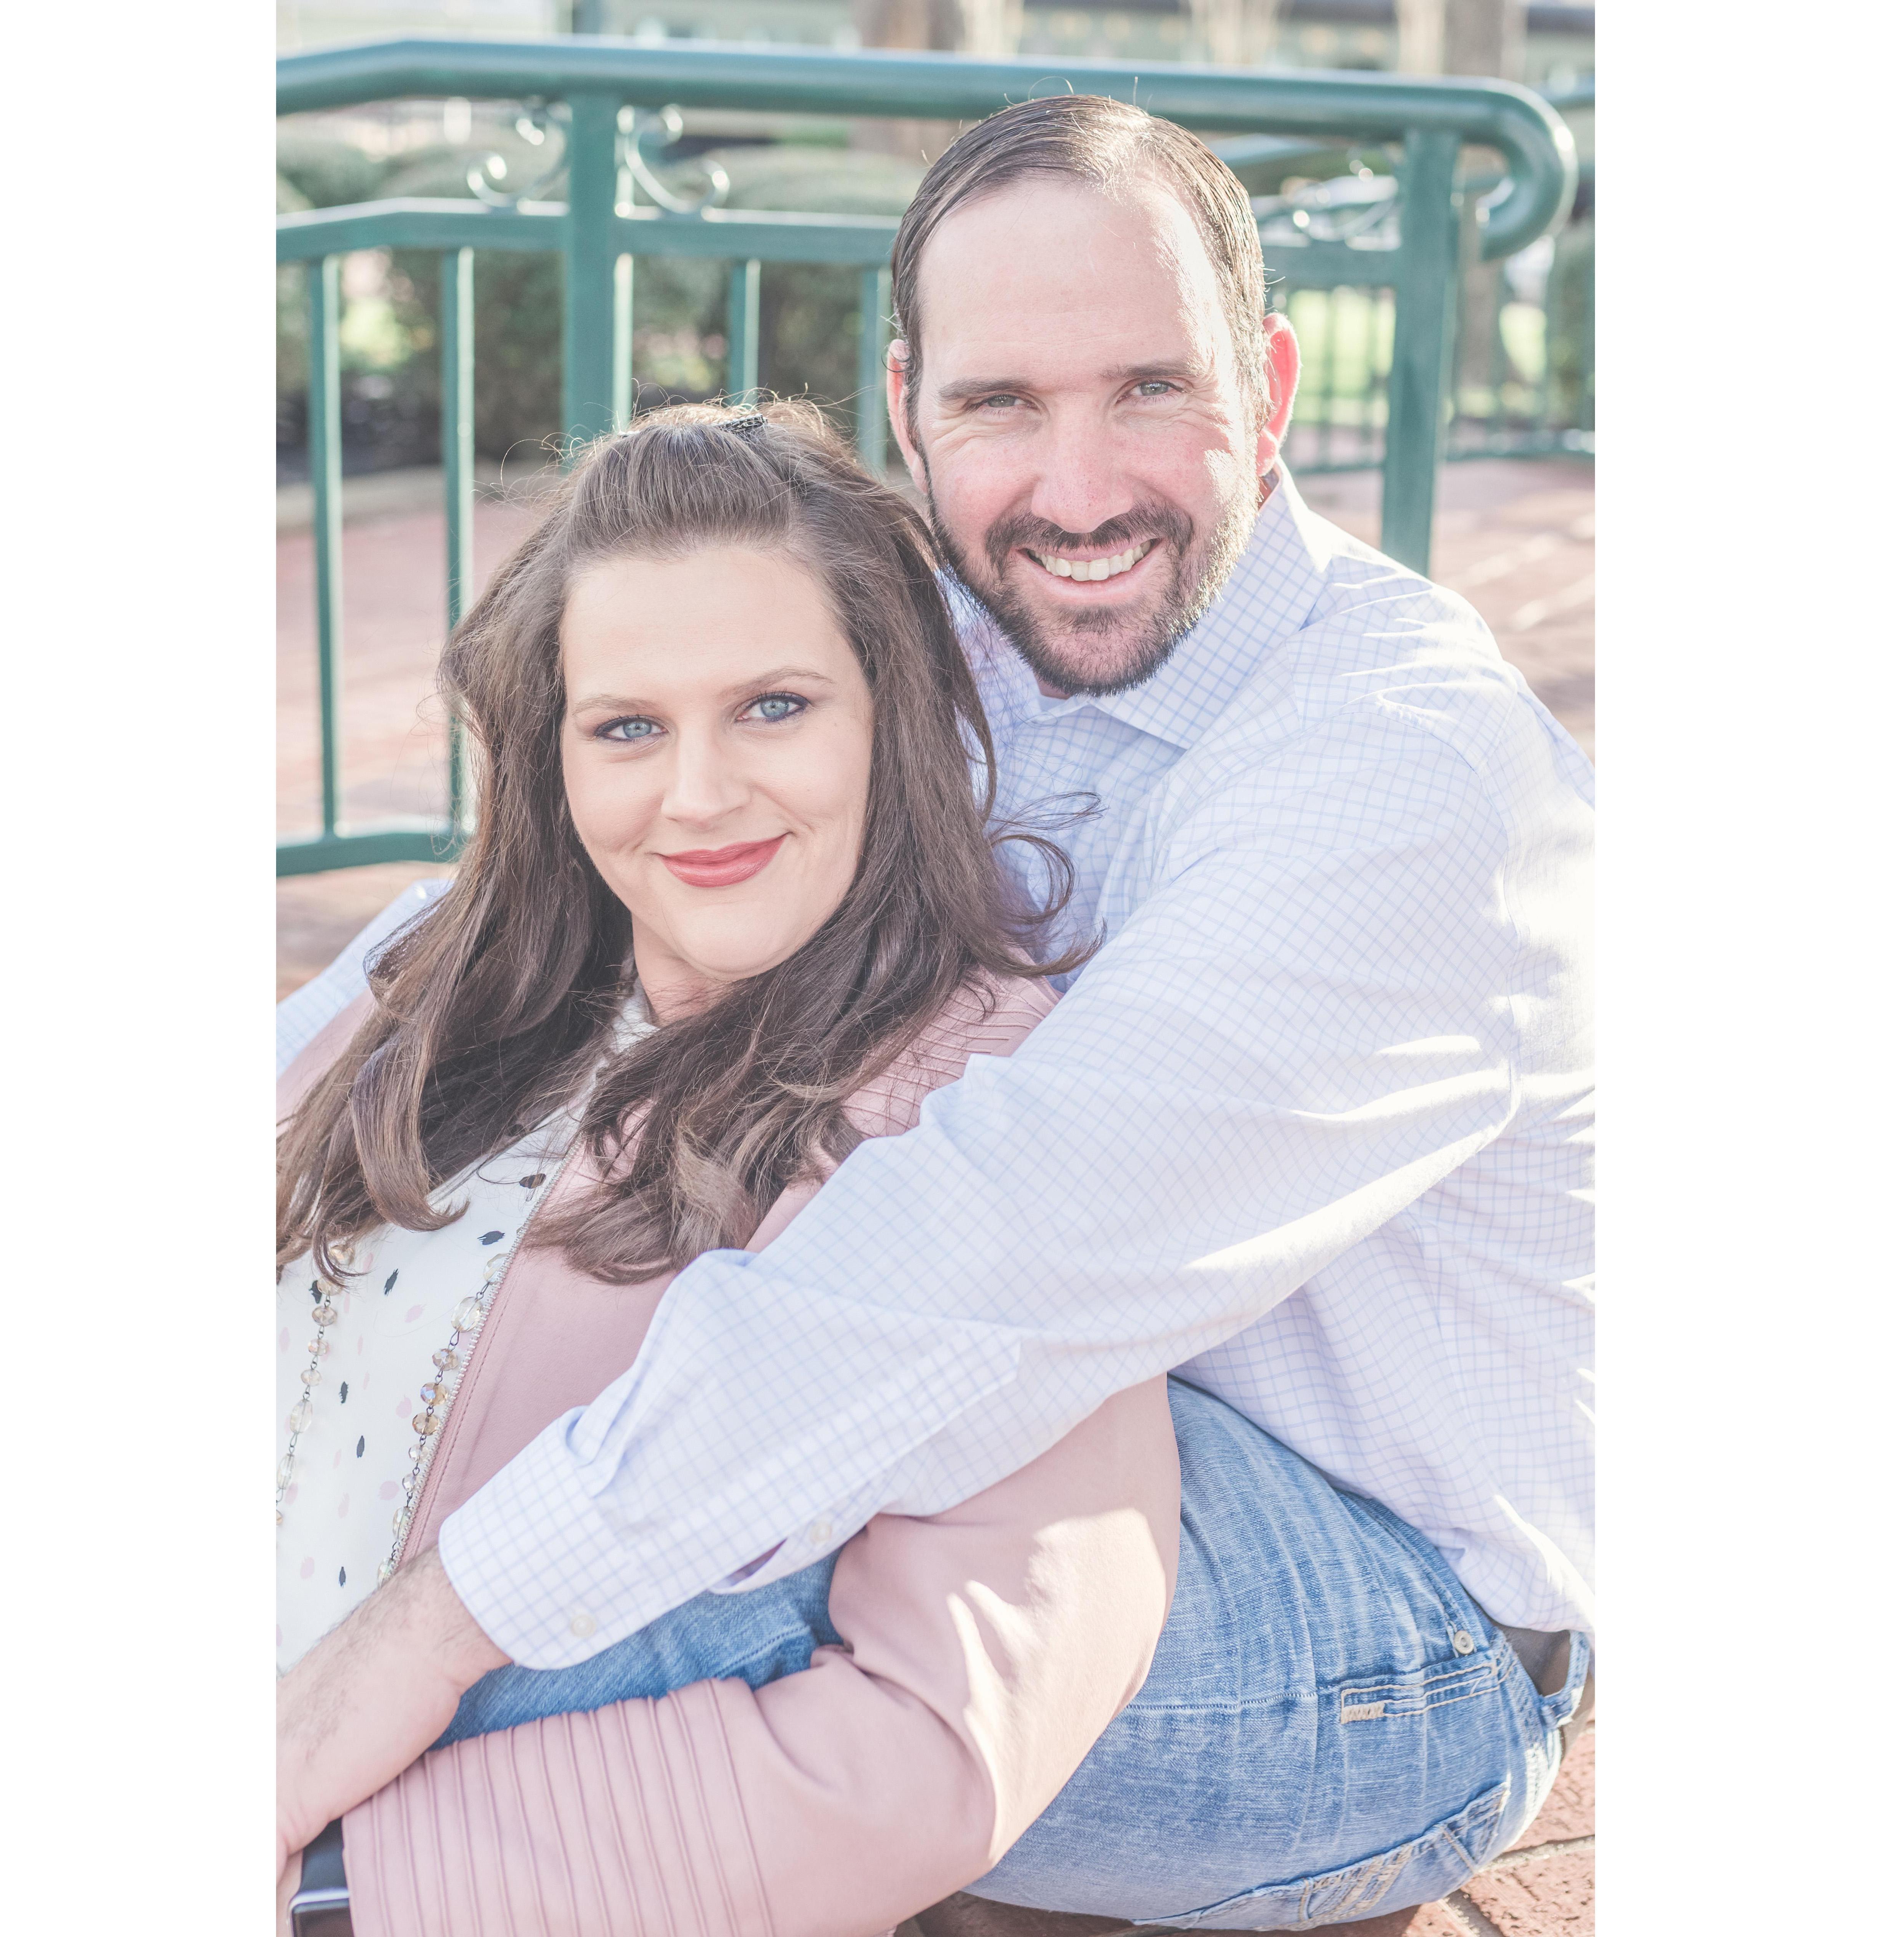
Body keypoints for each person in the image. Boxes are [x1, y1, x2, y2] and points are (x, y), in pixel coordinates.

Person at [282, 92, 1594, 1931]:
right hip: (1070, 1409)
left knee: (666, 1541)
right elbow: (567, 884)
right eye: (998, 405)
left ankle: (336, 1869)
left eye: (1150, 388)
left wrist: (409, 1643)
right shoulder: (961, 625)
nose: (1075, 489)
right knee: (481, 1336)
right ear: (907, 410)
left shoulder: (1400, 779)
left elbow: (986, 1259)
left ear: (1273, 390)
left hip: (1385, 1628)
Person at [275, 401, 1183, 1935]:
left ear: (890, 713)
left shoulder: (976, 1101)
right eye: (625, 726)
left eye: (770, 706)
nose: (695, 793)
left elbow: (939, 1725)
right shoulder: (449, 965)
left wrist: (347, 1891)